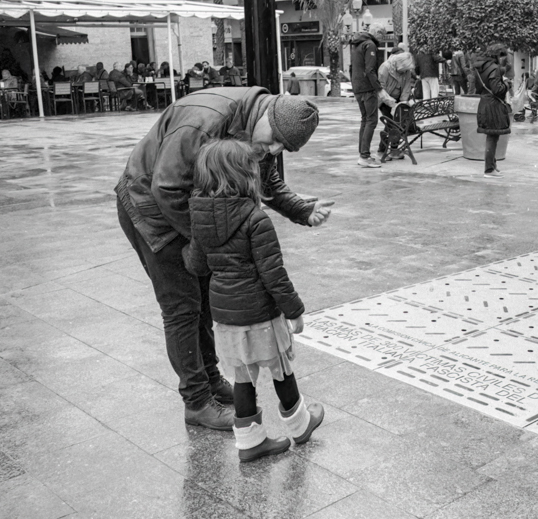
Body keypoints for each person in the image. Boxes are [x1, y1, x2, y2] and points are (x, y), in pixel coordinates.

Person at [115, 87, 334, 431]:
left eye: (284, 149)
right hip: (152, 210)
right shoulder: (207, 122)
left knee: (203, 296)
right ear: (268, 116)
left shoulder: (259, 127)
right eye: (276, 140)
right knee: (182, 307)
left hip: (198, 212)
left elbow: (265, 178)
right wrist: (209, 240)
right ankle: (197, 402)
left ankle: (212, 380)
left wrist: (301, 211)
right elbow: (166, 187)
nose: (274, 150)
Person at [183, 138, 324, 462]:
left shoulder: (199, 217)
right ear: (244, 176)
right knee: (281, 371)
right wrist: (295, 311)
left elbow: (198, 265)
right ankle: (300, 425)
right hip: (260, 315)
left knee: (242, 378)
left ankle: (249, 442)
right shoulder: (255, 219)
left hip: (226, 317)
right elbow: (273, 274)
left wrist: (187, 252)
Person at [350, 22, 392, 168]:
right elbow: (370, 70)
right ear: (378, 33)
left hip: (357, 87)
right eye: (382, 34)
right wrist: (379, 89)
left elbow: (355, 68)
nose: (382, 38)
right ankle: (364, 156)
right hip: (367, 88)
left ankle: (362, 153)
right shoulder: (370, 45)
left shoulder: (357, 44)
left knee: (365, 119)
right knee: (371, 120)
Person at [474, 43, 511, 179]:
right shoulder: (494, 69)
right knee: (492, 137)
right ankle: (489, 169)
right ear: (497, 55)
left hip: (484, 103)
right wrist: (507, 84)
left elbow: (478, 87)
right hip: (493, 106)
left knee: (492, 136)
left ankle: (492, 166)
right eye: (502, 56)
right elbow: (497, 90)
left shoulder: (480, 68)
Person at [377, 51, 416, 160]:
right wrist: (392, 104)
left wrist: (402, 103)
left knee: (400, 124)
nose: (405, 71)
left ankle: (394, 150)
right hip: (384, 100)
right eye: (404, 69)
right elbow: (380, 89)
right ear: (399, 63)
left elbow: (407, 88)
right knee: (390, 124)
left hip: (398, 99)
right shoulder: (385, 67)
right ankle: (381, 151)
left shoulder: (406, 70)